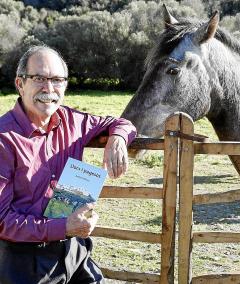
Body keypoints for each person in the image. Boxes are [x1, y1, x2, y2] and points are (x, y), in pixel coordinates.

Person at [0, 45, 137, 283]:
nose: (49, 88)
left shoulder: (72, 121)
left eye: (57, 79)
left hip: (74, 249)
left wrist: (117, 138)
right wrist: (63, 227)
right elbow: (2, 221)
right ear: (20, 84)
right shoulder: (4, 138)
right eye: (39, 78)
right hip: (23, 259)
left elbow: (122, 122)